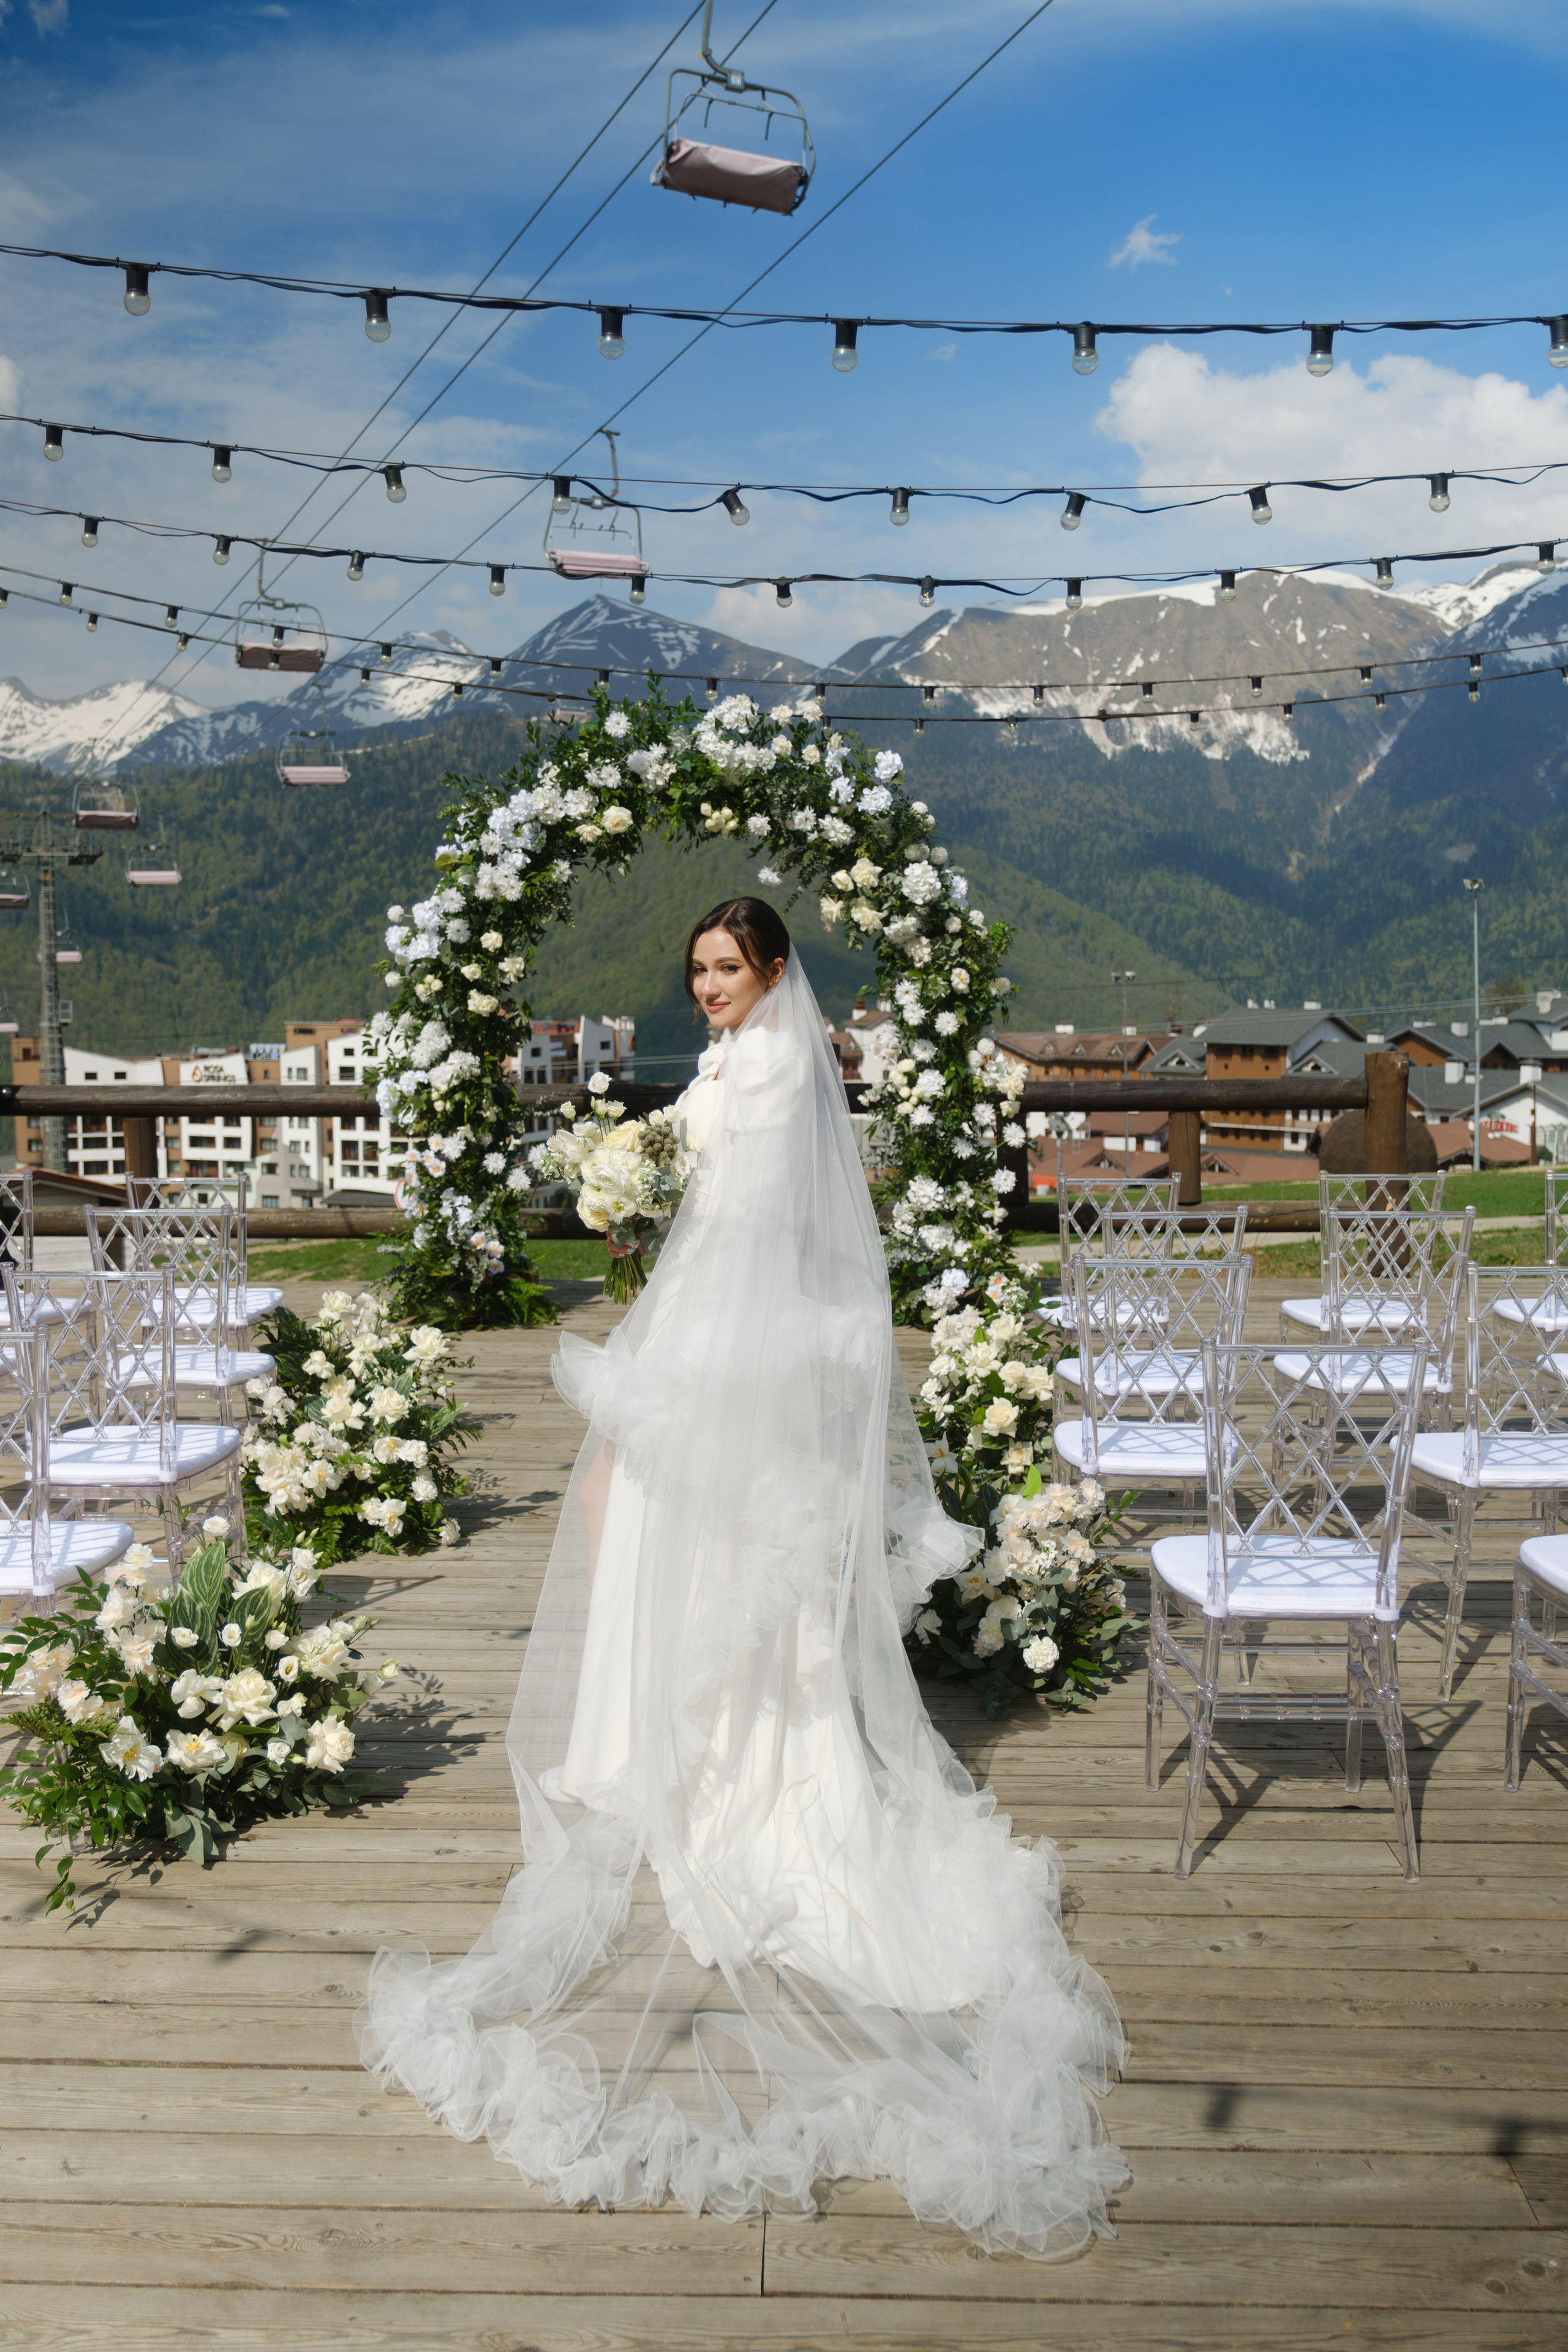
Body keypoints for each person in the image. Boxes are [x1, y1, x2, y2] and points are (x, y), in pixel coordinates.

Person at [361, 897, 1127, 2256]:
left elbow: (749, 1233)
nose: (708, 988)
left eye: (726, 968)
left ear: (774, 971)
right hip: (726, 1331)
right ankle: (675, 1735)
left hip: (739, 1342)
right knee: (640, 1514)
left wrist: (655, 1216)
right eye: (697, 968)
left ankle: (699, 1751)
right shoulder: (746, 1064)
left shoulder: (773, 1073)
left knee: (655, 1515)